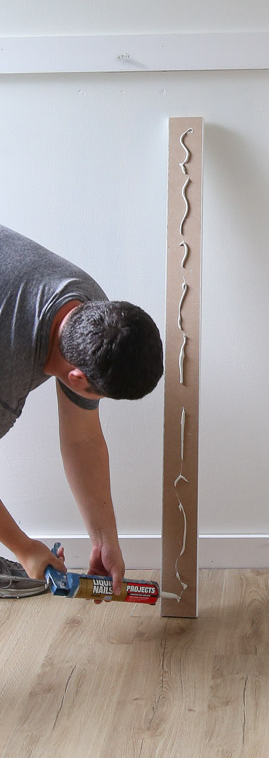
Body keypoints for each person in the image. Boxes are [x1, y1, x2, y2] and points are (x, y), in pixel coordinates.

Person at [0, 224, 163, 597]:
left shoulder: (95, 313)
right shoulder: (7, 367)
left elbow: (83, 437)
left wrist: (105, 539)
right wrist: (25, 549)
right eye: (99, 395)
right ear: (75, 377)